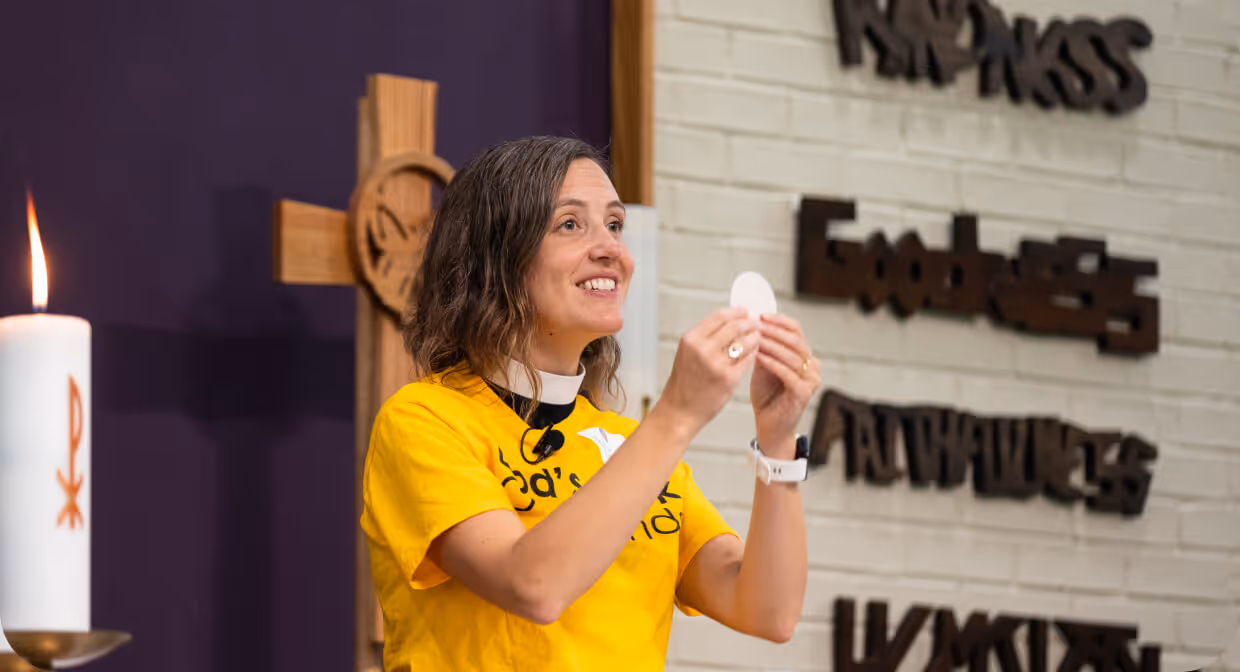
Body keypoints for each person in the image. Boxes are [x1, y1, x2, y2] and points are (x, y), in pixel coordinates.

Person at [360, 136, 818, 672]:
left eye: (616, 225)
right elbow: (533, 586)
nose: (611, 250)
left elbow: (768, 611)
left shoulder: (628, 444)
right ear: (494, 258)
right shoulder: (423, 420)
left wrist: (779, 440)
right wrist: (677, 414)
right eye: (570, 225)